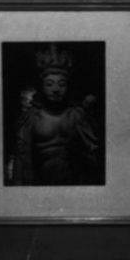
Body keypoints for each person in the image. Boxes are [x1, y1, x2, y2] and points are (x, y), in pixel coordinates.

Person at [10, 47, 102, 186]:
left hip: (74, 185)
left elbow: (93, 155)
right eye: (49, 84)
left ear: (67, 86)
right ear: (41, 86)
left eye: (61, 84)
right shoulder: (31, 119)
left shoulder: (76, 116)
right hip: (40, 184)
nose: (56, 89)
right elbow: (21, 159)